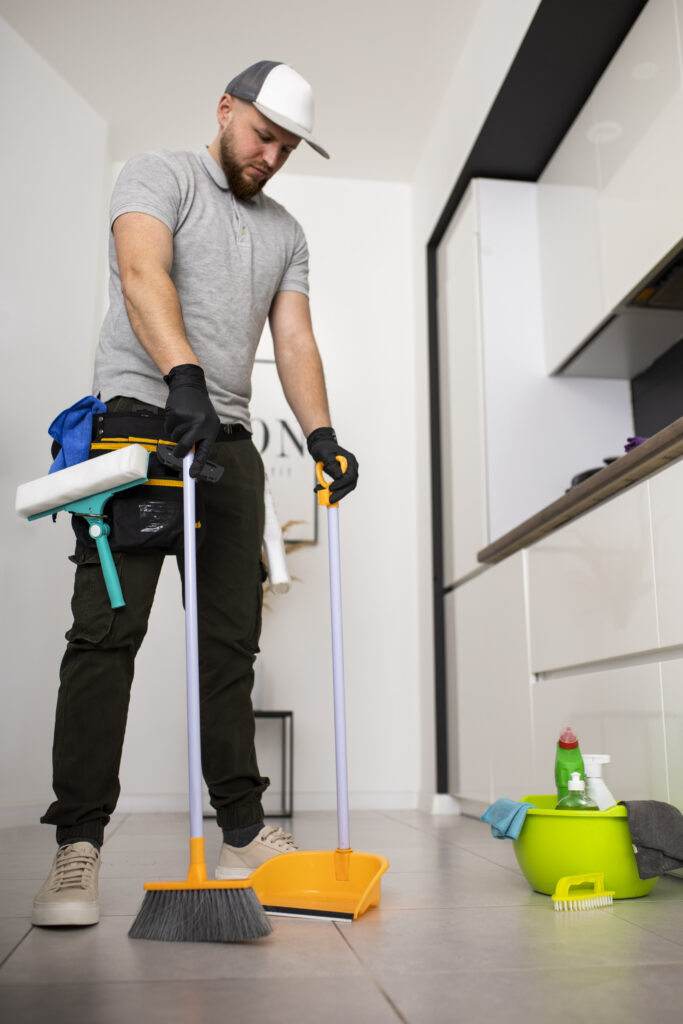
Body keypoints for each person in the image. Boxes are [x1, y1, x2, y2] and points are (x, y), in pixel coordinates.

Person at [32, 60, 359, 927]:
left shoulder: (286, 231)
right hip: (140, 425)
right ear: (225, 110)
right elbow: (144, 273)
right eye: (263, 135)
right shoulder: (158, 173)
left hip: (229, 443)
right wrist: (180, 375)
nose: (272, 155)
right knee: (108, 634)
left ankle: (242, 831)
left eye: (287, 147)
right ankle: (79, 844)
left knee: (230, 646)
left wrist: (321, 433)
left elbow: (292, 340)